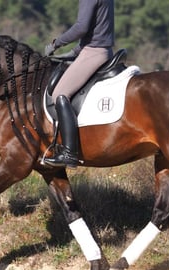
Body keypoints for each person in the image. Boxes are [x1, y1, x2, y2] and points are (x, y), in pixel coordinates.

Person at [44, 0, 115, 168]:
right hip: (99, 49)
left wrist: (57, 43)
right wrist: (74, 52)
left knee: (59, 94)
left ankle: (69, 152)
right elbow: (98, 27)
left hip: (94, 52)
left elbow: (82, 27)